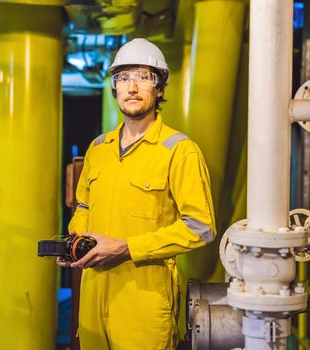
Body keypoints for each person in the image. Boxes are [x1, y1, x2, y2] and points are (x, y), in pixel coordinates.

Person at [57, 38, 216, 350]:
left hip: (144, 304)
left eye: (144, 77)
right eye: (123, 78)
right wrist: (76, 242)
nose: (132, 87)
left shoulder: (179, 151)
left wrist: (127, 247)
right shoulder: (98, 148)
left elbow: (201, 226)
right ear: (115, 88)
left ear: (159, 89)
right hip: (93, 301)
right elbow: (84, 205)